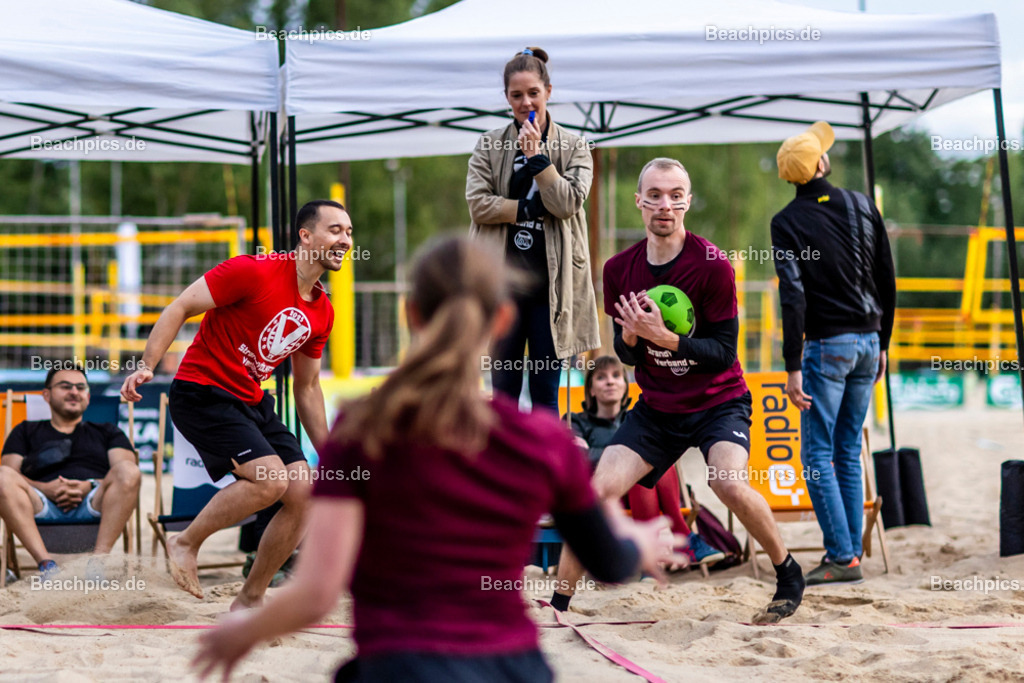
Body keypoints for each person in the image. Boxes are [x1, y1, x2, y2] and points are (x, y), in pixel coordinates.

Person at [191, 236, 682, 683]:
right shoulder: (543, 440)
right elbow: (608, 563)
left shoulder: (361, 429)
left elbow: (317, 592)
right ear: (504, 321)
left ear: (412, 315)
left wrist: (242, 632)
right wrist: (637, 541)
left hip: (396, 667)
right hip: (509, 666)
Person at [550, 158, 805, 623]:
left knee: (726, 482)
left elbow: (725, 352)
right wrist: (631, 338)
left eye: (674, 195)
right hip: (657, 408)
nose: (664, 205)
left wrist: (664, 337)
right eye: (654, 195)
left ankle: (787, 572)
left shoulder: (712, 264)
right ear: (639, 202)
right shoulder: (618, 269)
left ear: (687, 201)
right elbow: (626, 357)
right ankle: (560, 604)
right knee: (596, 490)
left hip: (718, 402)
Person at [121, 200, 351, 609]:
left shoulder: (323, 310)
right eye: (335, 230)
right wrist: (146, 366)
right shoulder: (254, 269)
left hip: (251, 398)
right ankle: (185, 542)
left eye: (349, 233)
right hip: (201, 392)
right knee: (270, 480)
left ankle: (250, 599)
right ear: (305, 235)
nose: (345, 240)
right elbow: (181, 307)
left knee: (305, 493)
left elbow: (309, 388)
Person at [772, 121, 896, 585]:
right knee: (845, 451)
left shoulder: (786, 222)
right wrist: (883, 342)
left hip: (827, 347)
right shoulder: (864, 204)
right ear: (821, 164)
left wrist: (791, 365)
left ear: (791, 177)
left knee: (817, 456)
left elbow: (793, 296)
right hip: (867, 340)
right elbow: (887, 276)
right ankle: (847, 555)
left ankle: (843, 556)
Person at [467, 46, 600, 413]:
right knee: (504, 396)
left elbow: (568, 203)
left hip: (552, 293)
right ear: (507, 99)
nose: (526, 102)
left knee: (545, 396)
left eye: (533, 93)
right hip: (502, 289)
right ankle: (499, 468)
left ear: (549, 92)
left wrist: (539, 161)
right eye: (516, 95)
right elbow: (478, 204)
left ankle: (546, 469)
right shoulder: (489, 144)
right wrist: (525, 207)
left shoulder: (574, 146)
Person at [568, 355, 724, 567]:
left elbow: (592, 455)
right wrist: (627, 454)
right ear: (591, 389)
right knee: (643, 455)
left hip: (648, 492)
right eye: (601, 377)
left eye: (616, 376)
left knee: (648, 459)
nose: (610, 381)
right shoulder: (575, 420)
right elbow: (577, 458)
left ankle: (650, 566)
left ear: (625, 385)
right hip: (604, 496)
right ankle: (683, 537)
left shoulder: (636, 419)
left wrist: (613, 454)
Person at [0, 365, 141, 578]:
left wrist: (90, 485)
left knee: (128, 471)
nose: (74, 392)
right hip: (39, 504)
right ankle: (47, 565)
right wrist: (44, 488)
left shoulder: (107, 431)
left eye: (80, 387)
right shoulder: (26, 430)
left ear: (88, 395)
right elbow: (8, 473)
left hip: (95, 503)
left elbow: (126, 472)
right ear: (46, 394)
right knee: (2, 477)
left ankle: (97, 566)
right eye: (65, 387)